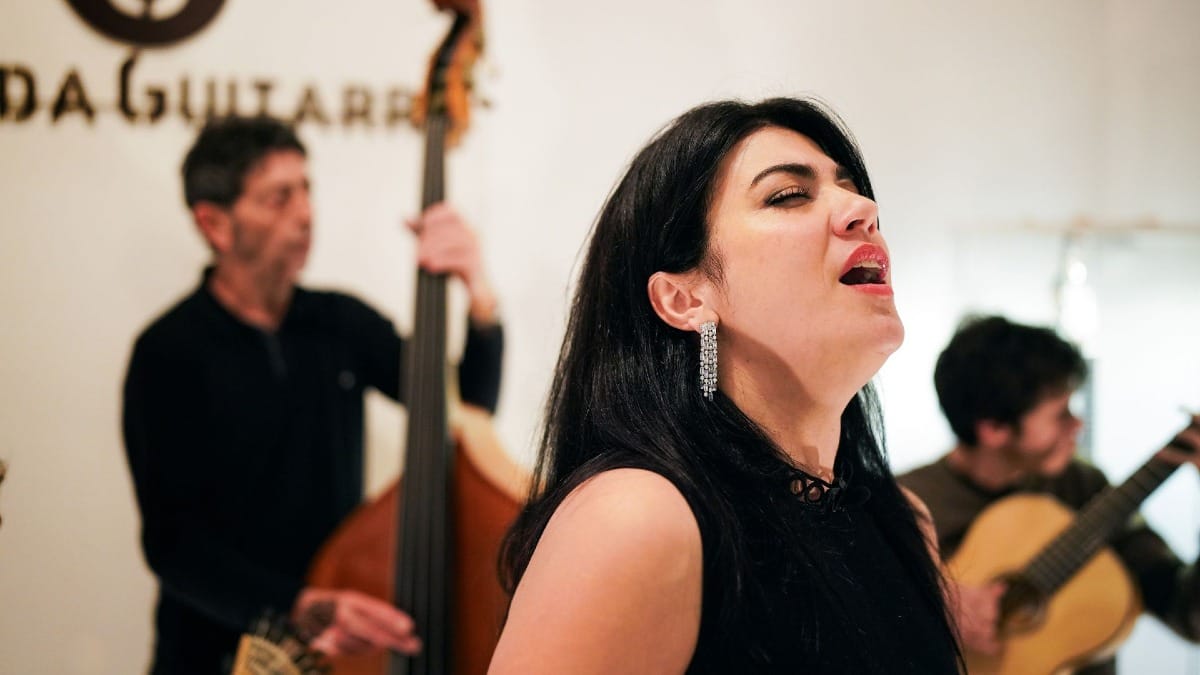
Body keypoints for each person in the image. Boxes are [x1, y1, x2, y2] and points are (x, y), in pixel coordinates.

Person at [487, 98, 962, 674]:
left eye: (852, 188)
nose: (862, 208)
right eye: (788, 195)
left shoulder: (905, 521)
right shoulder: (637, 518)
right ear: (685, 299)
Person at [122, 115, 504, 674]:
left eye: (306, 190)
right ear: (215, 224)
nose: (305, 214)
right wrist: (298, 605)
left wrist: (479, 292)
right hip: (216, 652)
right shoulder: (168, 352)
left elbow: (465, 409)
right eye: (279, 198)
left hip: (333, 654)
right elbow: (172, 545)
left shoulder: (340, 322)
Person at [899, 315, 1200, 674]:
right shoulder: (902, 503)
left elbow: (1190, 617)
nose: (1077, 425)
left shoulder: (1084, 485)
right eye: (1060, 414)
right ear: (994, 428)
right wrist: (933, 609)